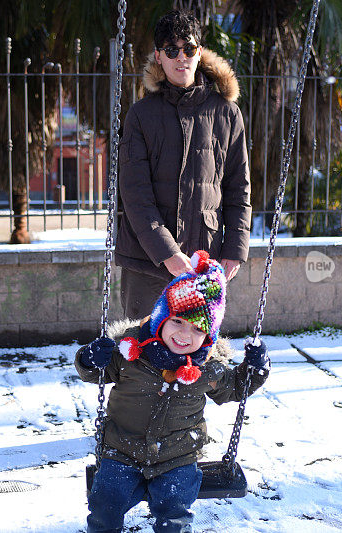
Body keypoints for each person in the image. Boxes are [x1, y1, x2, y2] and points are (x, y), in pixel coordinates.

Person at [76, 251, 270, 533]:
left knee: (174, 516)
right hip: (121, 450)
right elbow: (95, 373)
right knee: (105, 507)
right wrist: (89, 359)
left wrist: (256, 369)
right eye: (176, 321)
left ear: (208, 337)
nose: (184, 334)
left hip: (177, 457)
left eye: (196, 329)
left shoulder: (207, 369)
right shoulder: (129, 352)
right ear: (161, 319)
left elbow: (235, 388)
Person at [115, 10, 251, 320]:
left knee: (196, 356)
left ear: (199, 53)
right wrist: (167, 254)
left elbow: (238, 188)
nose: (181, 57)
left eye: (188, 49)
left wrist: (234, 250)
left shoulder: (227, 114)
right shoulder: (141, 115)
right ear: (159, 57)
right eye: (171, 50)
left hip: (205, 256)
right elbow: (135, 194)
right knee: (140, 354)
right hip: (146, 262)